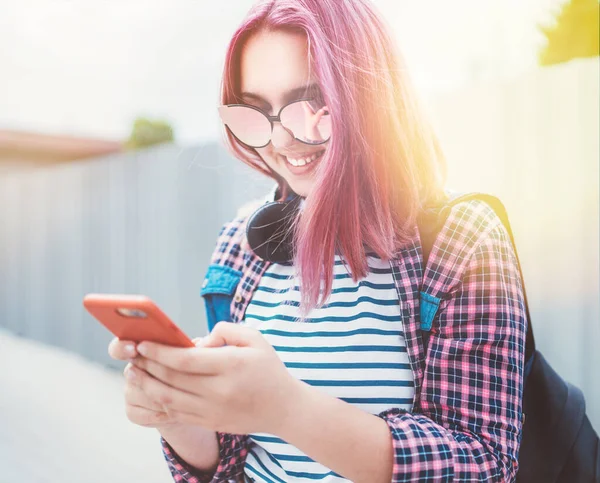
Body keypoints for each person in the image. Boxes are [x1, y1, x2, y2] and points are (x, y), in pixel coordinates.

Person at [108, 0, 527, 481]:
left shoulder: (462, 241)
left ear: (369, 97)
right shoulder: (238, 247)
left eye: (310, 107)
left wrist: (287, 408)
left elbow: (484, 465)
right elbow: (228, 463)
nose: (282, 141)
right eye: (254, 112)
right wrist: (179, 418)